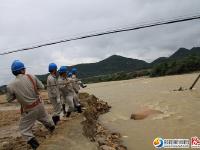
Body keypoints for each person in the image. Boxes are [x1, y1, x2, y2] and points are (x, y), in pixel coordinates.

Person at [6, 60, 55, 150]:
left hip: (29, 109)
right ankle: (53, 130)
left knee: (24, 129)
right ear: (21, 70)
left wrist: (19, 95)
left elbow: (9, 100)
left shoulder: (10, 86)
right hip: (40, 104)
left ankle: (36, 146)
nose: (25, 70)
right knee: (45, 119)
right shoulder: (31, 76)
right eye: (24, 68)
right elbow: (42, 87)